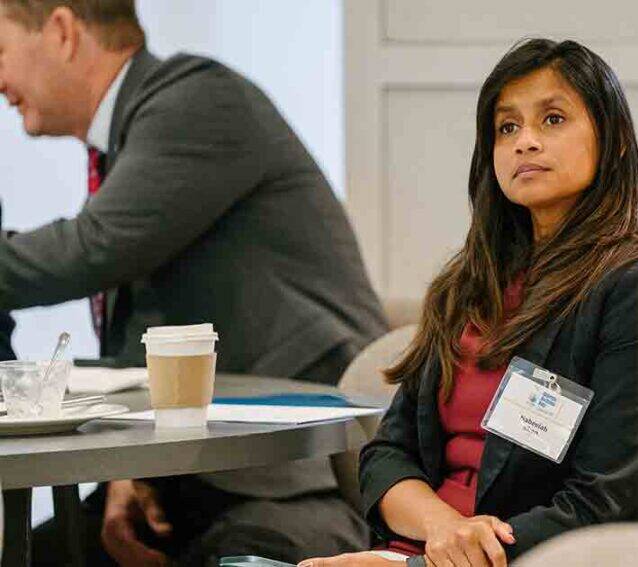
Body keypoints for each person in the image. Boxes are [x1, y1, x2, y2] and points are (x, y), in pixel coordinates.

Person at [0, 1, 388, 565]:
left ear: (61, 31)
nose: (0, 79)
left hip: (288, 472)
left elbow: (91, 249)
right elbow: (145, 314)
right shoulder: (136, 133)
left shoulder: (197, 100)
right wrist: (123, 473)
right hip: (188, 469)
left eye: (2, 50)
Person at [300, 39, 638, 567]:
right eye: (507, 127)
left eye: (553, 119)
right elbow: (386, 455)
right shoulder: (471, 282)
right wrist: (442, 530)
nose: (525, 142)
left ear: (615, 141)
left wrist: (423, 564)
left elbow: (601, 504)